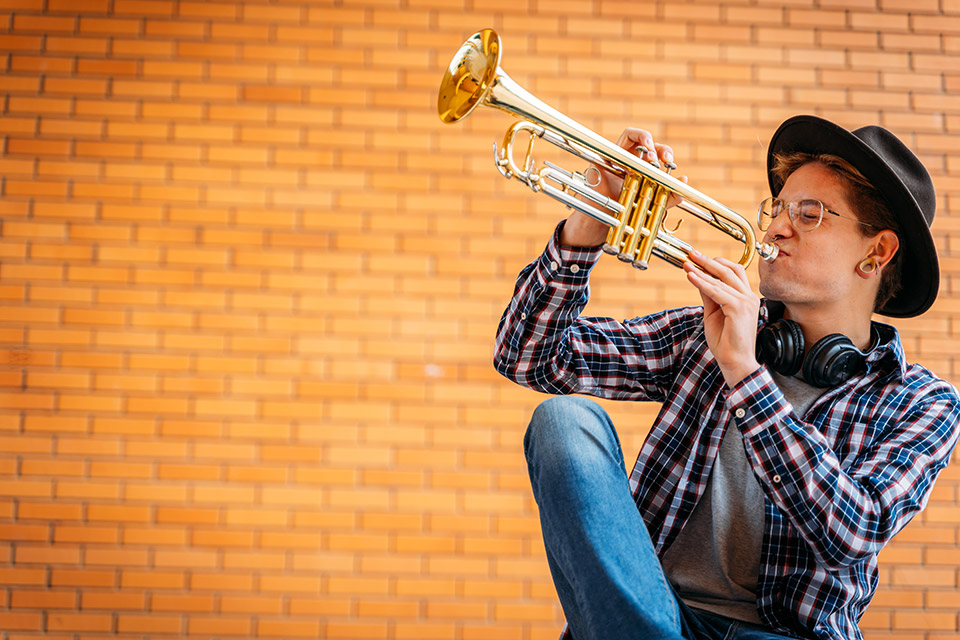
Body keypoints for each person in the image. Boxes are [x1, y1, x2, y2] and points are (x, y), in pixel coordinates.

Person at [493, 115, 960, 640]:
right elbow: (527, 355)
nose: (777, 228)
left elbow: (853, 532)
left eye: (810, 214)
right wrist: (590, 221)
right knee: (565, 420)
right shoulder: (703, 334)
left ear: (877, 252)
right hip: (652, 612)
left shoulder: (923, 401)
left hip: (786, 635)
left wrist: (744, 371)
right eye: (778, 208)